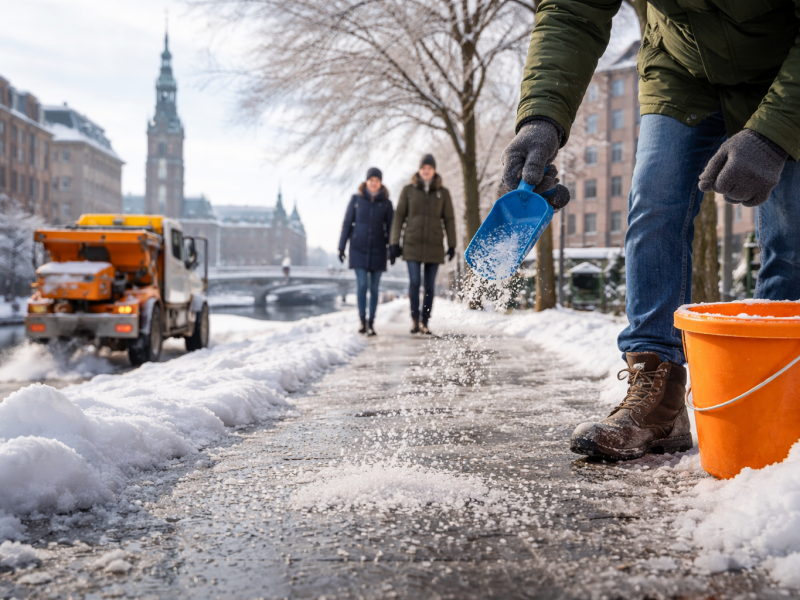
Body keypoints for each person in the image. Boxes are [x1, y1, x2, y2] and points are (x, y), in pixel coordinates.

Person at [502, 1, 800, 461]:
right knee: (654, 203)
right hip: (681, 65)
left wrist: (777, 133)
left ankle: (777, 397)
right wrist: (541, 117)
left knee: (789, 232)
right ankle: (657, 398)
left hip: (786, 62)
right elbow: (571, 11)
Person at [390, 154, 456, 335]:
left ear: (434, 170)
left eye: (429, 167)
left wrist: (452, 244)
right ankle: (414, 320)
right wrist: (394, 243)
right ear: (419, 170)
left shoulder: (443, 192)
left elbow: (449, 219)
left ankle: (425, 322)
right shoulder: (408, 190)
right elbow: (399, 217)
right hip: (411, 244)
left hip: (434, 245)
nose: (426, 170)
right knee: (414, 282)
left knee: (429, 286)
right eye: (423, 167)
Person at [338, 167, 394, 336]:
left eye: (377, 180)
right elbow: (347, 223)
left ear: (380, 182)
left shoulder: (387, 203)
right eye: (371, 180)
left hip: (378, 249)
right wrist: (341, 246)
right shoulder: (356, 200)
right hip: (358, 248)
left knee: (374, 288)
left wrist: (392, 250)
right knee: (362, 285)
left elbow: (392, 228)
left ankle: (371, 322)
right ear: (367, 181)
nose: (374, 183)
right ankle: (362, 321)